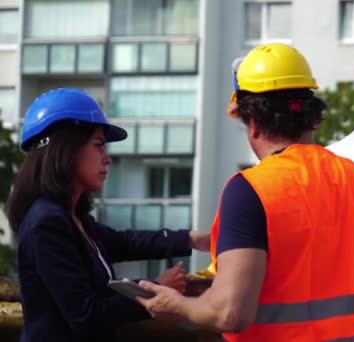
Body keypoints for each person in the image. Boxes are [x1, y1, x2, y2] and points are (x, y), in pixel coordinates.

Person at [136, 43, 354, 341]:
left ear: (253, 123)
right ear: (311, 118)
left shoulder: (249, 190)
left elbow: (230, 313)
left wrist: (175, 304)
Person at [4, 88, 210, 342]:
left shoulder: (71, 218)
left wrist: (194, 239)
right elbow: (86, 315)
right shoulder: (46, 223)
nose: (107, 159)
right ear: (66, 149)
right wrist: (155, 291)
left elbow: (124, 242)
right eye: (99, 146)